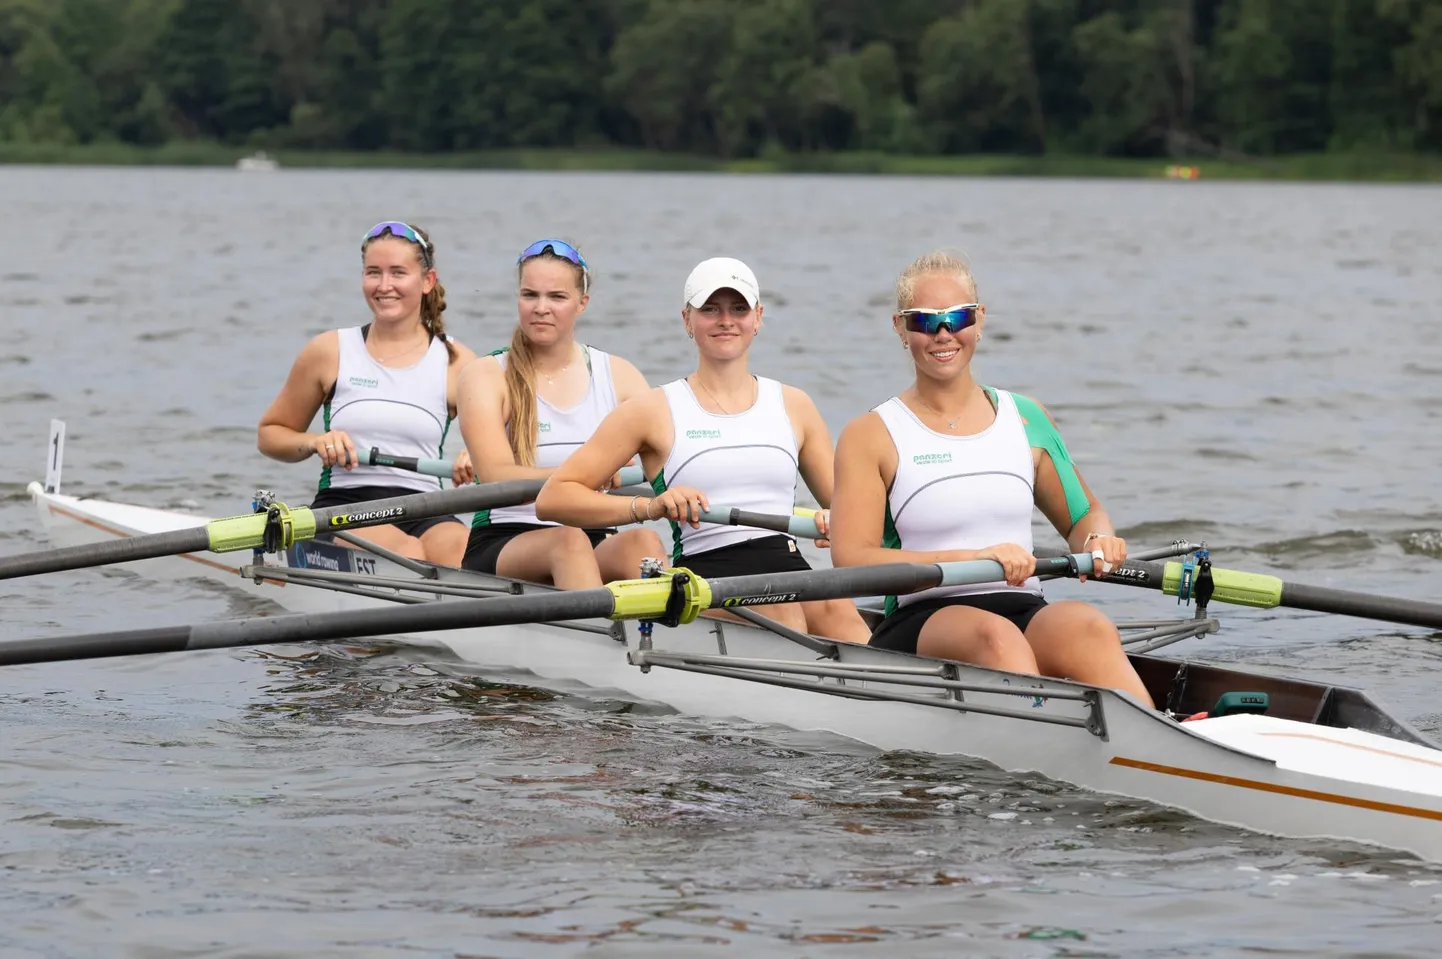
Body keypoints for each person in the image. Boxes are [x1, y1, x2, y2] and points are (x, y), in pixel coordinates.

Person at [827, 249, 1154, 706]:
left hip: (1021, 605)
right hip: (923, 617)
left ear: (978, 320)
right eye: (924, 321)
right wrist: (976, 556)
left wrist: (1099, 540)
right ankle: (1047, 742)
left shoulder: (1028, 417)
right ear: (901, 328)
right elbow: (852, 559)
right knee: (994, 637)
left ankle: (1155, 745)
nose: (943, 333)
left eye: (956, 317)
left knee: (1088, 626)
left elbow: (1084, 516)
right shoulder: (871, 434)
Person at [535, 257, 872, 644]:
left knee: (840, 611)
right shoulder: (652, 410)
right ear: (687, 320)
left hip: (788, 564)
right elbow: (555, 497)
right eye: (710, 309)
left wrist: (837, 519)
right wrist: (648, 507)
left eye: (738, 309)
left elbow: (851, 514)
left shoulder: (796, 405)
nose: (725, 320)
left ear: (758, 317)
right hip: (707, 578)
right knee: (783, 615)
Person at [257, 221, 477, 566]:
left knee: (467, 555)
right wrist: (316, 442)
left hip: (426, 507)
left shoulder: (459, 362)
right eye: (373, 273)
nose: (384, 286)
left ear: (427, 281)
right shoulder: (329, 351)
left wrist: (475, 454)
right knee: (406, 555)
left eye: (398, 273)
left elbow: (512, 440)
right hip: (344, 507)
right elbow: (270, 435)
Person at [457, 239, 663, 587]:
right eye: (530, 295)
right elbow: (496, 476)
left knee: (643, 543)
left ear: (582, 303)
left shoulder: (620, 376)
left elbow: (664, 461)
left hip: (591, 535)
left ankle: (665, 636)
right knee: (568, 542)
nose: (541, 308)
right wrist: (588, 475)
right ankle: (606, 638)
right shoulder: (485, 376)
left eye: (556, 297)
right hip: (505, 540)